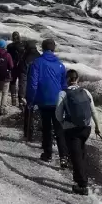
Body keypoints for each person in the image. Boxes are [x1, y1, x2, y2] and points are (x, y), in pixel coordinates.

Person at [56, 69, 101, 195]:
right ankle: (80, 177)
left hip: (71, 129)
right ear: (77, 79)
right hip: (86, 128)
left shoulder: (63, 93)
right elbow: (93, 111)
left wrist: (63, 123)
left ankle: (82, 184)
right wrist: (98, 127)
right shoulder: (85, 91)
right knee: (80, 152)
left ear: (66, 79)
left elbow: (58, 114)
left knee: (76, 157)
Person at [25, 37, 69, 166]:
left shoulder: (37, 63)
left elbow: (32, 84)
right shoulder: (61, 65)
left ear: (42, 48)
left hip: (43, 101)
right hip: (58, 101)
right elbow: (64, 85)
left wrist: (30, 100)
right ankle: (63, 157)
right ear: (53, 48)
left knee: (46, 128)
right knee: (59, 129)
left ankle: (48, 154)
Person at [21, 40, 40, 142]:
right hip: (41, 89)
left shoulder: (26, 58)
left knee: (29, 111)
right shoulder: (40, 57)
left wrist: (22, 93)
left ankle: (28, 133)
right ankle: (39, 135)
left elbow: (23, 77)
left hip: (30, 88)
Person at [7, 31, 25, 108]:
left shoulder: (9, 46)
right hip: (21, 66)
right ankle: (21, 100)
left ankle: (13, 100)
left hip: (13, 66)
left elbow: (8, 56)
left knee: (13, 82)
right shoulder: (23, 45)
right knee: (21, 83)